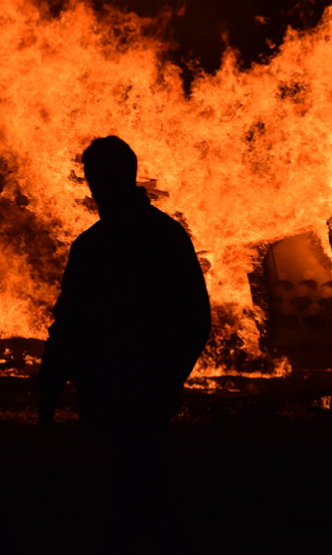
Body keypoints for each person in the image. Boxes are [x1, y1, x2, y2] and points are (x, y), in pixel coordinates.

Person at [38, 136, 210, 553]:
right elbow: (196, 317)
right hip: (147, 383)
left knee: (134, 476)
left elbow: (69, 325)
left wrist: (48, 392)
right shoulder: (167, 235)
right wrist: (171, 377)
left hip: (115, 385)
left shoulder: (95, 246)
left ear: (93, 181)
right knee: (137, 473)